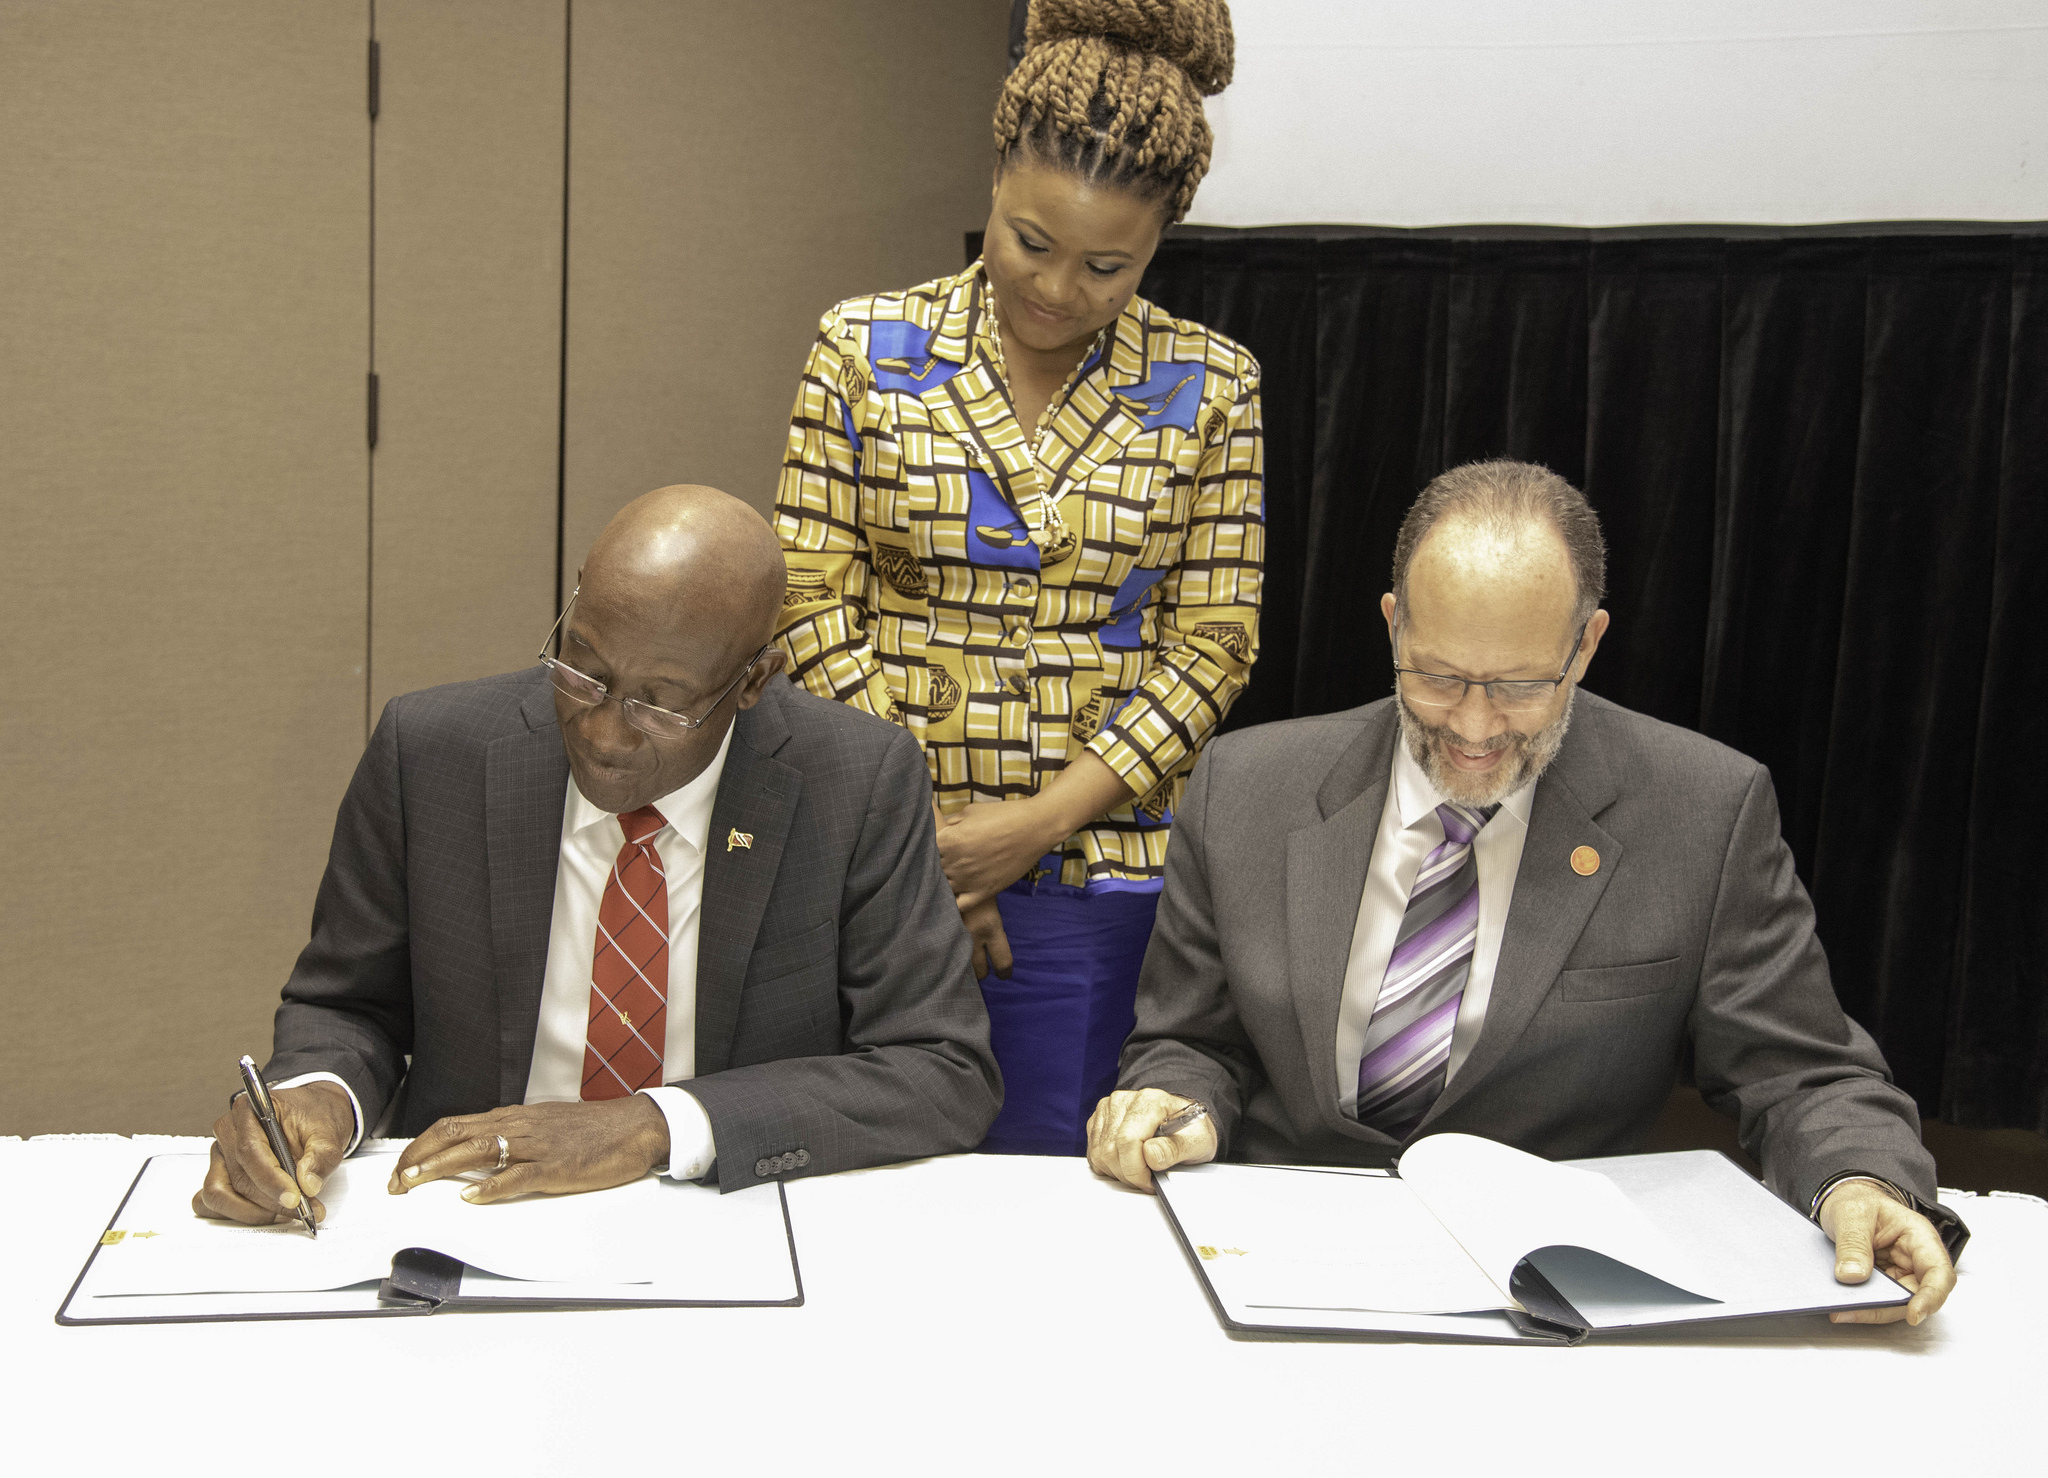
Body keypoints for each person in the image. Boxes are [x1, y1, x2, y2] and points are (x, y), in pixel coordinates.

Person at [1088, 460, 1964, 1324]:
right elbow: (1191, 1041)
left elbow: (1803, 1070)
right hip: (1278, 1264)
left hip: (1551, 1294)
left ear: (1585, 646)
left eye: (1520, 687)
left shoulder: (1703, 809)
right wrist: (1179, 1105)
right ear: (1394, 629)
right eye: (1437, 678)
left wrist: (1861, 1179)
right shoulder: (1247, 786)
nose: (1474, 727)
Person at [195, 485, 999, 1225]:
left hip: (727, 1216)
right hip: (471, 1214)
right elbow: (347, 1004)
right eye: (584, 667)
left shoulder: (853, 781)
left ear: (753, 681)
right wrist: (319, 1092)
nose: (604, 733)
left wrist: (653, 1124)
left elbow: (940, 1070)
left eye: (661, 702)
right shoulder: (432, 753)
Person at [774, 0, 1262, 1155]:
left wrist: (1031, 827)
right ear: (995, 176)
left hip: (1097, 872)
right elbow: (808, 607)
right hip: (871, 862)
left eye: (1107, 265)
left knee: (1065, 1185)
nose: (1054, 288)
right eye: (1029, 241)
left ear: (1161, 241)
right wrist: (936, 839)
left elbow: (1213, 643)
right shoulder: (861, 350)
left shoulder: (1211, 384)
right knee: (857, 1180)